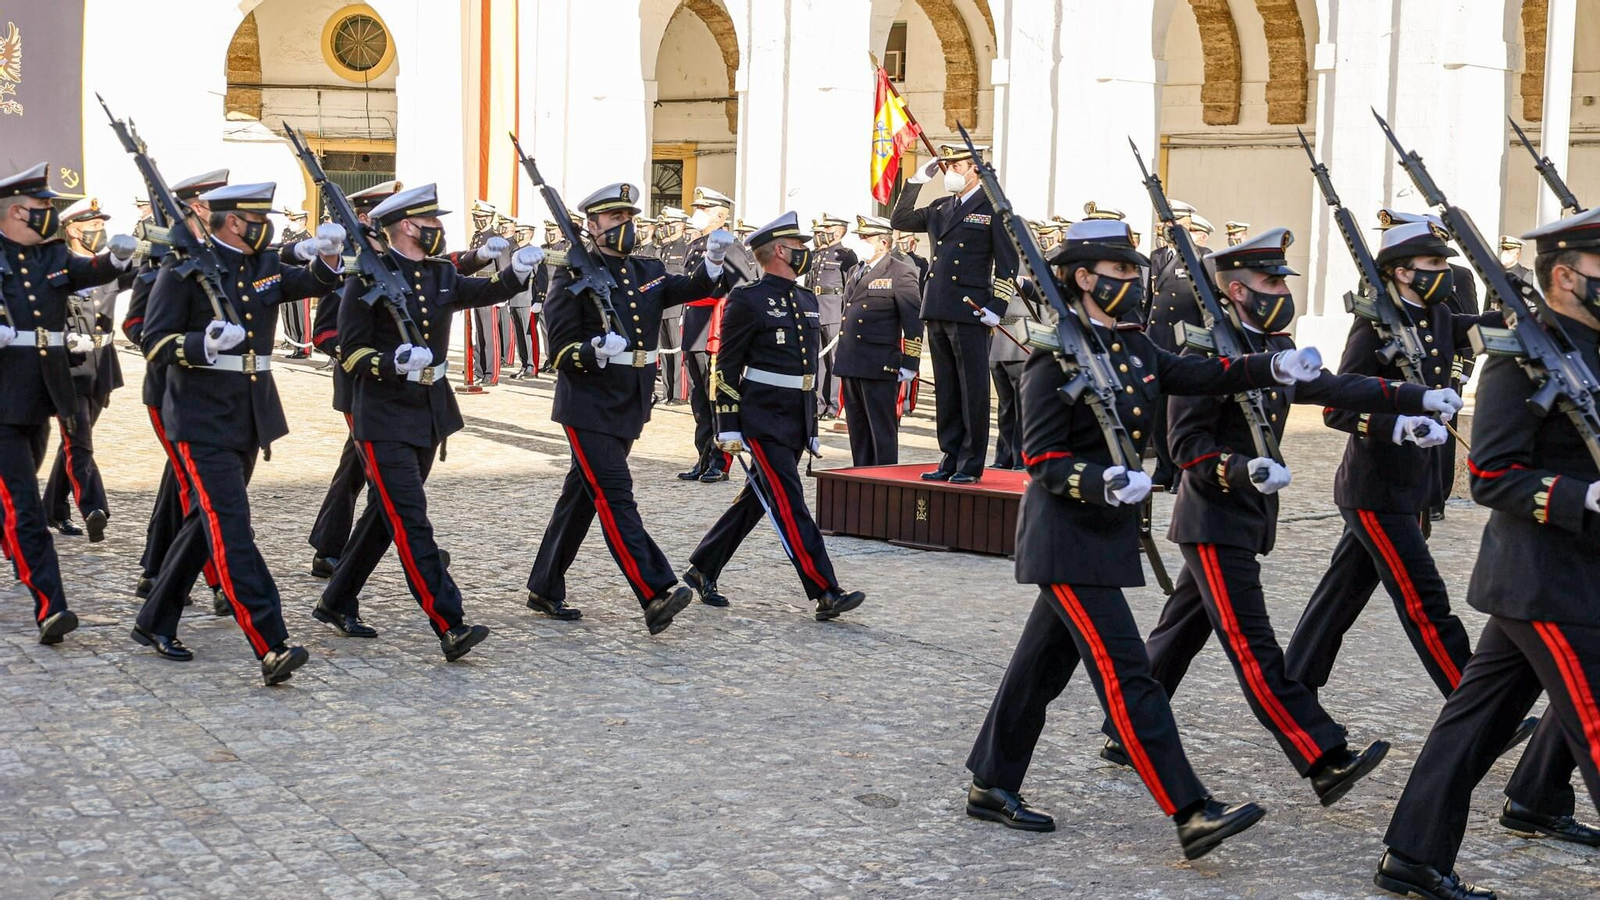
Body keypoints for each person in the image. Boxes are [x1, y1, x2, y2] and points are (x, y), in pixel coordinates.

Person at [965, 220, 1329, 857]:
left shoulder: (1130, 348)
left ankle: (992, 782)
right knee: (1128, 672)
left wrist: (1271, 364)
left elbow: (1202, 377)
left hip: (1103, 537)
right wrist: (1100, 481)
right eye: (1121, 272)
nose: (1134, 283)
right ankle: (1191, 810)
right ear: (1084, 278)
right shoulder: (1054, 360)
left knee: (1040, 668)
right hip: (1066, 539)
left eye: (1136, 272)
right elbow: (1042, 459)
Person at [1096, 228, 1463, 806]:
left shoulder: (1272, 347)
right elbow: (1185, 444)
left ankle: (1127, 729)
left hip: (1245, 516)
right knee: (1253, 646)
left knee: (1182, 629)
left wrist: (1415, 401)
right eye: (1270, 282)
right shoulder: (1205, 349)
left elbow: (1338, 386)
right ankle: (1321, 755)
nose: (1280, 291)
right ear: (1238, 291)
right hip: (1214, 516)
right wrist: (1243, 472)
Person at [1375, 207, 1600, 900]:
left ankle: (1412, 855)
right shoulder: (1520, 358)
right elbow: (1494, 474)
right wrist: (1584, 498)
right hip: (1550, 579)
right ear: (1565, 277)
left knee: (1474, 725)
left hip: (1566, 579)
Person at [131, 181, 345, 684]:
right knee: (230, 527)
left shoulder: (262, 264)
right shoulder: (182, 268)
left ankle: (155, 618)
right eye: (255, 217)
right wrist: (198, 344)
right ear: (231, 220)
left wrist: (331, 256)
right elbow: (153, 340)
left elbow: (307, 283)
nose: (263, 225)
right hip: (200, 417)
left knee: (205, 524)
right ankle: (271, 643)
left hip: (249, 414)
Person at [315, 184, 536, 659]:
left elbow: (485, 291)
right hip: (382, 413)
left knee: (384, 515)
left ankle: (335, 600)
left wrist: (516, 270)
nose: (439, 229)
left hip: (429, 411)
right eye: (431, 223)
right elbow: (350, 349)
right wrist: (389, 361)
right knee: (411, 519)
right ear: (407, 228)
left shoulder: (438, 273)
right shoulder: (366, 277)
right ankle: (449, 622)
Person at [526, 182, 726, 632]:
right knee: (616, 495)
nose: (625, 226)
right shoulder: (571, 273)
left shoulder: (647, 268)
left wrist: (714, 261)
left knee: (581, 496)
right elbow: (558, 347)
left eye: (628, 218)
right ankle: (654, 591)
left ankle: (544, 585)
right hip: (588, 402)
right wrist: (592, 349)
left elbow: (693, 289)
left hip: (631, 399)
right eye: (614, 219)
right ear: (591, 226)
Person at [682, 212, 866, 621]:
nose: (806, 253)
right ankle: (825, 590)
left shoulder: (805, 299)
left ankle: (703, 567)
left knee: (758, 499)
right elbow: (726, 368)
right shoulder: (748, 299)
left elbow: (807, 372)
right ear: (781, 251)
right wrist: (726, 426)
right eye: (799, 247)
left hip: (795, 418)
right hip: (762, 416)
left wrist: (812, 426)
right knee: (789, 502)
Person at [0, 163, 136, 644]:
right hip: (2, 398)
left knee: (16, 498)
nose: (50, 216)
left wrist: (119, 259)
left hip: (42, 393)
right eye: (43, 209)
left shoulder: (53, 255)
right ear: (17, 211)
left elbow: (90, 272)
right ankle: (50, 606)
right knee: (25, 506)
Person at [124, 168, 230, 608]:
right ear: (194, 210)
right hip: (169, 389)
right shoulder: (163, 261)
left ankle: (155, 568)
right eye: (215, 208)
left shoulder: (225, 258)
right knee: (197, 488)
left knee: (179, 483)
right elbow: (136, 326)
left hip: (214, 393)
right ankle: (218, 580)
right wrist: (191, 345)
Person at [890, 143, 1020, 484]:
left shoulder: (994, 208)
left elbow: (1008, 264)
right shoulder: (940, 207)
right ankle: (949, 455)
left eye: (956, 165)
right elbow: (899, 219)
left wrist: (997, 306)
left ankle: (971, 462)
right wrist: (917, 180)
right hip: (937, 305)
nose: (950, 172)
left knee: (971, 389)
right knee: (947, 388)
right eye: (946, 166)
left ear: (976, 168)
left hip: (971, 310)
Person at [305, 180, 403, 579]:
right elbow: (324, 332)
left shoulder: (395, 260)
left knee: (355, 470)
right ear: (365, 218)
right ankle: (413, 545)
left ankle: (328, 546)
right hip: (361, 385)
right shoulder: (351, 262)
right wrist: (363, 359)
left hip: (395, 386)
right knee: (383, 474)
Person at [43, 199, 127, 542]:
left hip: (101, 369)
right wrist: (61, 340)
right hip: (68, 371)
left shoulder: (107, 265)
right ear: (74, 230)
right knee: (79, 443)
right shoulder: (56, 268)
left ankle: (52, 508)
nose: (100, 232)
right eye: (93, 227)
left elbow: (147, 274)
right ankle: (94, 507)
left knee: (73, 444)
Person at [679, 187, 757, 483]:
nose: (697, 212)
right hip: (695, 330)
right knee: (699, 401)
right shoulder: (696, 243)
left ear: (721, 215)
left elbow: (741, 289)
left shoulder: (730, 245)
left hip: (716, 332)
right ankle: (702, 457)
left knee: (717, 399)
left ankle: (720, 461)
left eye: (704, 208)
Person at [835, 215, 921, 467]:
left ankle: (884, 481)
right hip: (851, 361)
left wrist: (910, 362)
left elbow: (913, 321)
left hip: (879, 363)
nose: (861, 242)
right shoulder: (855, 270)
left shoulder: (901, 272)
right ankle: (861, 477)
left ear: (883, 242)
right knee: (858, 431)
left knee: (881, 432)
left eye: (866, 238)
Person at [808, 213, 858, 420]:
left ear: (838, 231)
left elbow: (851, 287)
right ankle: (819, 402)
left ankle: (834, 404)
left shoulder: (846, 255)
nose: (822, 234)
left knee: (834, 360)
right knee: (817, 360)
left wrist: (847, 314)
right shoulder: (817, 254)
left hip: (834, 310)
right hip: (816, 310)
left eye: (827, 230)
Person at [655, 207, 691, 404]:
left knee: (676, 351)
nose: (667, 228)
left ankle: (678, 394)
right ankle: (667, 392)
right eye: (666, 224)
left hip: (677, 307)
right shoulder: (664, 248)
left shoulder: (685, 248)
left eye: (671, 224)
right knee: (665, 350)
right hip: (662, 305)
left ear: (681, 225)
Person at [505, 220, 541, 379]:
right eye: (516, 231)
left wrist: (539, 299)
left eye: (521, 232)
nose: (517, 235)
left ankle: (532, 366)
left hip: (527, 296)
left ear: (529, 234)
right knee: (519, 334)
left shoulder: (533, 251)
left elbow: (540, 276)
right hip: (514, 297)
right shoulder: (515, 251)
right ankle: (524, 364)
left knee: (528, 334)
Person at [279, 208, 312, 359]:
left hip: (302, 279)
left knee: (301, 315)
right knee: (290, 313)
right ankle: (295, 344)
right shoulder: (288, 234)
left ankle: (304, 348)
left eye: (293, 220)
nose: (290, 223)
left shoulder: (307, 238)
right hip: (287, 278)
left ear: (302, 221)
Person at [1499, 234, 1532, 303]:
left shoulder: (1526, 275)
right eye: (1503, 249)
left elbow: (1529, 304)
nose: (1504, 253)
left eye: (1508, 250)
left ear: (1517, 254)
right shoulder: (1497, 273)